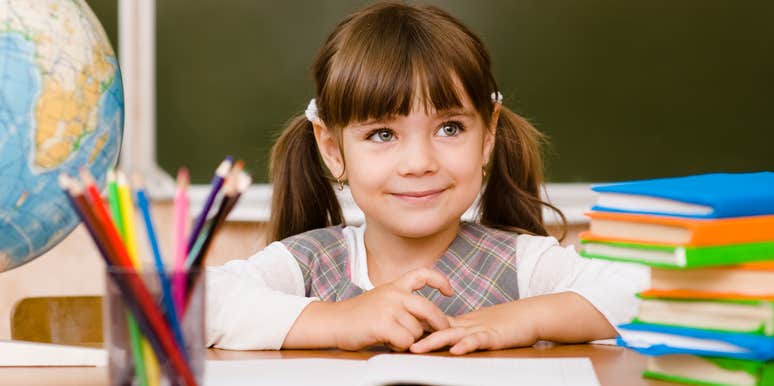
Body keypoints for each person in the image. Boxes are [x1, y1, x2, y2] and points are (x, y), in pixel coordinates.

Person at [206, 1, 648, 355]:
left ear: (487, 134)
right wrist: (339, 320)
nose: (419, 162)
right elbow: (189, 302)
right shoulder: (309, 263)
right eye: (382, 134)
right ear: (332, 149)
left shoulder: (522, 266)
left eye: (450, 128)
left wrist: (524, 318)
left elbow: (652, 291)